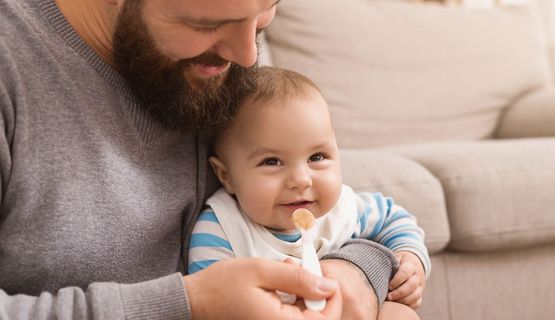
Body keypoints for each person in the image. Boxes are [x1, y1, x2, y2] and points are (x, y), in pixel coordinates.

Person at [0, 0, 404, 319]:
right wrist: (188, 305)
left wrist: (356, 270)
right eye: (205, 25)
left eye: (264, 15)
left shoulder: (225, 58)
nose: (248, 58)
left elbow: (318, 210)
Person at [189, 67, 431, 319]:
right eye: (272, 162)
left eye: (317, 157)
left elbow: (394, 218)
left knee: (399, 313)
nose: (301, 180)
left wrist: (411, 258)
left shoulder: (344, 208)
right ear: (226, 176)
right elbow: (212, 303)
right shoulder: (221, 231)